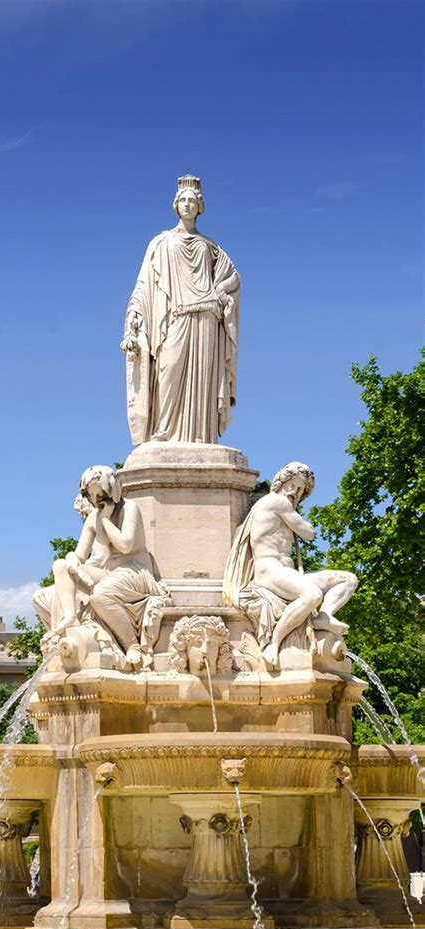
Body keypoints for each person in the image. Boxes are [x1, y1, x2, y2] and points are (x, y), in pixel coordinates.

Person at [121, 174, 240, 445]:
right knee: (168, 370)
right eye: (183, 200)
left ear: (200, 207)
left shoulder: (210, 247)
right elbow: (144, 285)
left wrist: (219, 291)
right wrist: (135, 316)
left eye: (192, 201)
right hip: (175, 317)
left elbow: (234, 277)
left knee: (202, 383)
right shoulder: (161, 242)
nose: (187, 205)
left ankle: (201, 434)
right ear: (176, 205)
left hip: (206, 317)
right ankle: (163, 430)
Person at [223, 461, 358, 669]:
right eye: (292, 484)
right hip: (269, 571)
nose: (294, 491)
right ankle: (273, 644)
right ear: (281, 481)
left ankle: (324, 616)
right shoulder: (277, 501)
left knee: (348, 580)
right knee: (313, 595)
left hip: (287, 572)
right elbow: (308, 532)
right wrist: (302, 522)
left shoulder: (279, 506)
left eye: (300, 489)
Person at [33, 465, 169, 668]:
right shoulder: (93, 518)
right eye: (92, 495)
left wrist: (106, 519)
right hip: (110, 573)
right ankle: (70, 617)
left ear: (111, 489)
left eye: (101, 493)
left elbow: (125, 545)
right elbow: (79, 553)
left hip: (135, 571)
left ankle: (132, 644)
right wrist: (72, 559)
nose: (97, 499)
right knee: (60, 565)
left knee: (99, 595)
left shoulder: (129, 508)